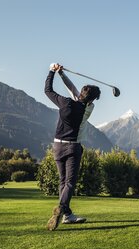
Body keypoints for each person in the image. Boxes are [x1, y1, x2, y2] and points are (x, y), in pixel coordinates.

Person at [44, 63, 101, 231]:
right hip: (73, 148)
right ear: (91, 99)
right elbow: (75, 90)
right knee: (70, 182)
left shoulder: (65, 103)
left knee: (63, 181)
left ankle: (67, 215)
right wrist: (61, 73)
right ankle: (61, 207)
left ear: (81, 94)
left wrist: (54, 72)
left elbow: (48, 90)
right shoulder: (89, 108)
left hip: (57, 147)